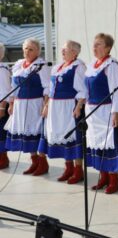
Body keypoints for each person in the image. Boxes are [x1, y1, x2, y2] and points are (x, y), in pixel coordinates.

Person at [84, 33, 118, 194]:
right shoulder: (92, 66)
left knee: (109, 144)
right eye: (94, 44)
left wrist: (115, 113)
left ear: (108, 48)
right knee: (96, 143)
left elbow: (116, 91)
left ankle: (113, 179)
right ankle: (103, 176)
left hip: (106, 110)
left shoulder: (111, 65)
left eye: (99, 44)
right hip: (93, 111)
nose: (94, 47)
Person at [38, 40, 87, 184]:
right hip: (55, 106)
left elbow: (83, 90)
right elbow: (51, 90)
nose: (62, 51)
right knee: (62, 136)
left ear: (75, 52)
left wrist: (78, 107)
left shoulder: (79, 67)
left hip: (68, 106)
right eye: (62, 49)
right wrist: (46, 105)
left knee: (72, 136)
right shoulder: (58, 67)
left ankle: (78, 170)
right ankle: (68, 168)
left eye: (66, 49)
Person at [5, 38, 50, 175]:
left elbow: (47, 87)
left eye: (31, 49)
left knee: (37, 132)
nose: (27, 51)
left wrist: (46, 104)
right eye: (25, 48)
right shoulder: (19, 64)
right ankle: (34, 161)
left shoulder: (41, 65)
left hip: (35, 103)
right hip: (20, 104)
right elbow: (14, 87)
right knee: (26, 133)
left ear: (37, 51)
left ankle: (43, 163)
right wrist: (11, 103)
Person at [0, 43, 11, 169]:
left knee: (0, 133)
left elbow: (5, 90)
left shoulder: (2, 69)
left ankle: (3, 158)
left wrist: (2, 108)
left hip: (0, 105)